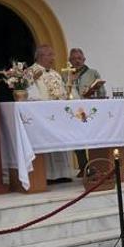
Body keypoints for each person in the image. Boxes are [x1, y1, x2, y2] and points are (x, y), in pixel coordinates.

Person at [27, 45, 73, 183]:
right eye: (50, 55)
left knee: (60, 141)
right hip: (42, 116)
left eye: (53, 55)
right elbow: (28, 94)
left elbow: (63, 93)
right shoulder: (30, 73)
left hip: (58, 115)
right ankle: (48, 175)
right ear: (40, 56)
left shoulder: (55, 74)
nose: (53, 58)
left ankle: (63, 173)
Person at [65, 47, 105, 177]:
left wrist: (93, 92)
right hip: (73, 112)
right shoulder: (65, 74)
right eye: (74, 59)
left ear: (84, 59)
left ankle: (97, 165)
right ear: (69, 60)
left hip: (90, 110)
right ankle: (84, 166)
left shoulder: (93, 73)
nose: (77, 61)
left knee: (93, 137)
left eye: (79, 58)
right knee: (77, 139)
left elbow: (102, 92)